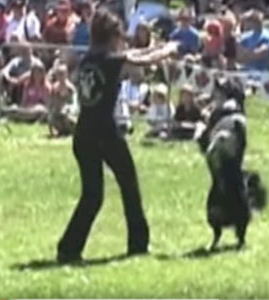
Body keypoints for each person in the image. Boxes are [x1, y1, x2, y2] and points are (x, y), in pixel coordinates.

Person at [57, 7, 179, 262]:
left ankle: (68, 248)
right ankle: (138, 244)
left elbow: (132, 54)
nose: (121, 39)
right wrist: (167, 50)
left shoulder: (89, 60)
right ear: (112, 36)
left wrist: (151, 49)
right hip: (105, 133)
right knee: (129, 186)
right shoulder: (111, 61)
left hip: (83, 134)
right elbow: (141, 60)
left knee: (92, 196)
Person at [48, 64, 78, 137]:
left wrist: (68, 108)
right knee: (51, 117)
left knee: (67, 117)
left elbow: (75, 104)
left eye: (62, 74)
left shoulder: (70, 89)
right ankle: (56, 132)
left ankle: (71, 131)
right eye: (59, 74)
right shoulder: (54, 88)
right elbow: (51, 102)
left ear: (66, 74)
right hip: (58, 111)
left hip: (69, 112)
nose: (61, 76)